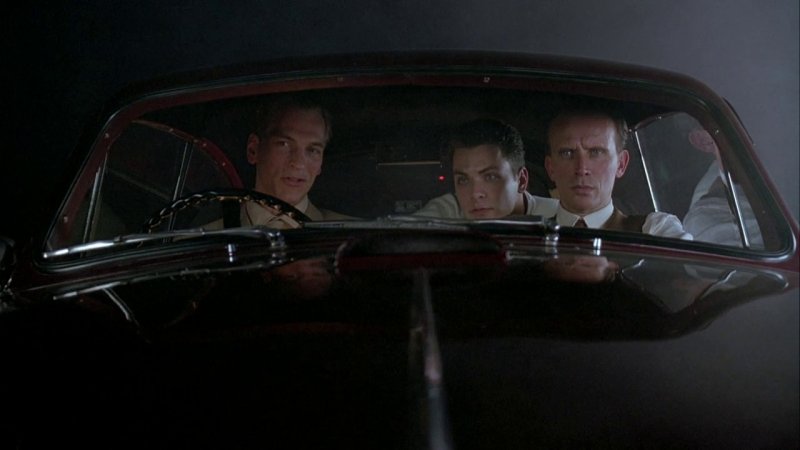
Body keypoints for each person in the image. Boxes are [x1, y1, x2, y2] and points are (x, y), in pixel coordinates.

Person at [544, 106, 692, 239]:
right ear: (551, 168)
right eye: (567, 153)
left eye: (596, 152)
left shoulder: (654, 231)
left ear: (621, 164)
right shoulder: (532, 236)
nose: (582, 169)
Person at [239, 95, 353, 227]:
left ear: (320, 164)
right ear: (253, 150)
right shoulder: (217, 234)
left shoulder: (354, 234)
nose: (299, 164)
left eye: (312, 150)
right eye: (284, 144)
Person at [413, 118, 558, 219]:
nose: (475, 194)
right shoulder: (447, 212)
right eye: (463, 180)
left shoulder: (559, 217)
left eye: (490, 177)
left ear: (521, 180)